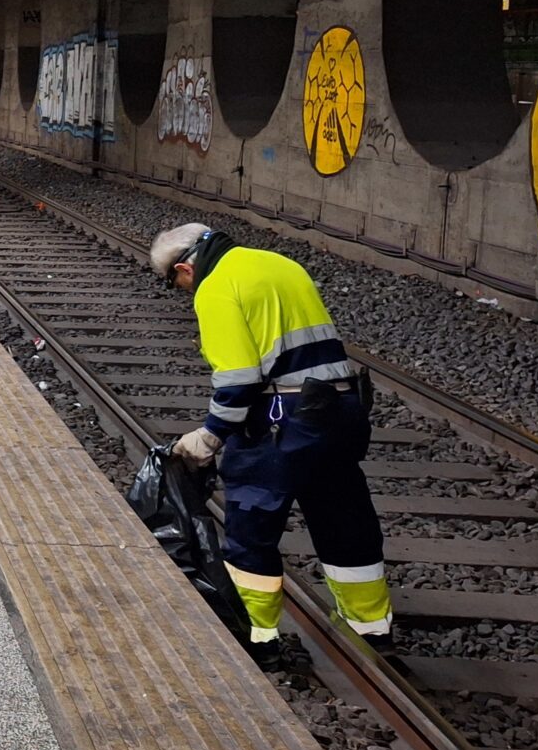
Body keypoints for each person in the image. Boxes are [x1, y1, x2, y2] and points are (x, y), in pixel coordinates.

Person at [150, 222, 392, 664]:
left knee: (251, 527)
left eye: (175, 283)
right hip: (340, 410)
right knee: (345, 520)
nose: (183, 291)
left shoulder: (216, 286)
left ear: (185, 269)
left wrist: (211, 435)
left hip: (282, 419)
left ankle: (258, 639)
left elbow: (239, 378)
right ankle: (371, 630)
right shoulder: (280, 264)